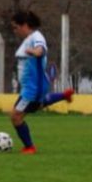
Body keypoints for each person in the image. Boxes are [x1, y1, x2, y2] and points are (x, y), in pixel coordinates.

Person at [9, 11, 74, 154]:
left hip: (33, 87)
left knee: (16, 116)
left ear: (24, 25)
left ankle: (29, 147)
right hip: (32, 86)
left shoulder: (36, 37)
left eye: (15, 27)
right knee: (36, 105)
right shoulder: (29, 38)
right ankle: (64, 95)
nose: (14, 31)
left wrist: (34, 52)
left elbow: (41, 50)